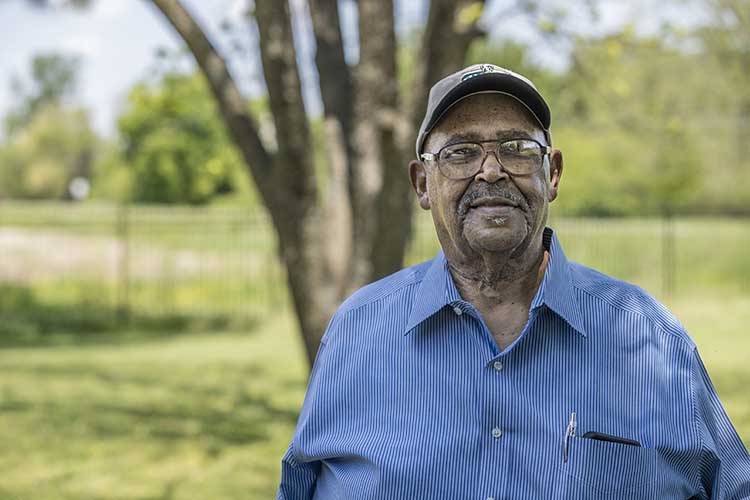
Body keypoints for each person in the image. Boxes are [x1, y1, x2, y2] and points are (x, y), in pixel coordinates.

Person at [276, 63, 750, 499]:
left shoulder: (647, 336)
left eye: (517, 148)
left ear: (553, 172)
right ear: (423, 183)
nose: (490, 170)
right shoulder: (358, 328)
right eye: (460, 152)